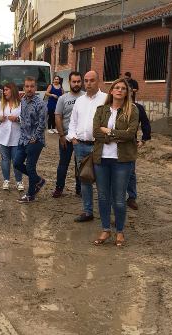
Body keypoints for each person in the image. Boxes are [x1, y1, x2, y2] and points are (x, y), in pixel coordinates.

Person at [91, 78, 139, 247]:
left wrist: (109, 132)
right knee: (103, 197)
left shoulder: (132, 110)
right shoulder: (101, 110)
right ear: (111, 91)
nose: (119, 90)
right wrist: (117, 135)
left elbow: (130, 134)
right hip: (101, 159)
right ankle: (105, 229)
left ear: (127, 93)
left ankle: (119, 231)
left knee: (119, 198)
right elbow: (96, 132)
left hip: (122, 160)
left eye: (123, 88)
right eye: (116, 88)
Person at [67, 71, 107, 222]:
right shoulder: (80, 101)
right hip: (81, 146)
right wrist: (73, 138)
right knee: (85, 180)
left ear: (98, 81)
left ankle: (105, 213)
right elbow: (73, 121)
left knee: (103, 182)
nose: (88, 83)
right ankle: (88, 211)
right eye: (86, 80)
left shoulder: (105, 99)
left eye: (92, 80)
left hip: (99, 147)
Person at [14, 76, 47, 203]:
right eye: (27, 86)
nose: (29, 89)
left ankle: (30, 195)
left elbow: (42, 123)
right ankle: (39, 180)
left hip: (35, 140)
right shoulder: (22, 100)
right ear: (24, 88)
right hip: (23, 139)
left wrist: (35, 137)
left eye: (32, 86)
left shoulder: (40, 104)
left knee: (30, 167)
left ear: (36, 88)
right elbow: (23, 118)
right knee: (17, 163)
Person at [52, 71, 84, 198]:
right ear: (69, 82)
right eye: (74, 81)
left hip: (81, 139)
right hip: (66, 137)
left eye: (78, 81)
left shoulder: (85, 97)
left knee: (80, 164)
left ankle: (79, 189)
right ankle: (59, 188)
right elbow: (58, 117)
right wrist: (61, 136)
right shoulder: (63, 98)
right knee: (63, 164)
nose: (76, 84)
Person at [0, 82, 24, 192]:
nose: (4, 92)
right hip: (3, 136)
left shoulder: (21, 104)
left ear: (12, 90)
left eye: (7, 90)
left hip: (16, 136)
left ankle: (19, 181)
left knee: (16, 160)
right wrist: (0, 118)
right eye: (4, 90)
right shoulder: (1, 104)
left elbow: (26, 119)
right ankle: (6, 180)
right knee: (5, 160)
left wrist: (17, 119)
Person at [126, 101, 152, 210]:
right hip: (112, 144)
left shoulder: (137, 107)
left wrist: (144, 139)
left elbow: (145, 123)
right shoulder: (111, 105)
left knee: (130, 172)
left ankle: (131, 197)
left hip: (130, 145)